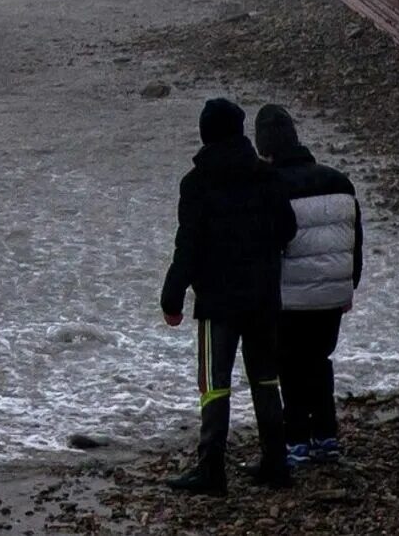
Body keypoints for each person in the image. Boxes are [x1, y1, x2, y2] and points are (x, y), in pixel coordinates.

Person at [160, 96, 297, 496]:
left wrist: (172, 298)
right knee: (266, 378)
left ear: (206, 135)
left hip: (218, 302)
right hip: (262, 299)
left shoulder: (196, 183)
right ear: (239, 132)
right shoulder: (267, 177)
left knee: (214, 384)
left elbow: (187, 246)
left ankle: (211, 470)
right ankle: (276, 463)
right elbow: (287, 230)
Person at [254, 102, 364, 468]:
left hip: (291, 296)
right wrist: (350, 287)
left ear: (265, 149)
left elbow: (270, 246)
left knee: (290, 365)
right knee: (319, 361)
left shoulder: (271, 186)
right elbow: (354, 241)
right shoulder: (339, 180)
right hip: (335, 291)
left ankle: (298, 440)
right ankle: (327, 437)